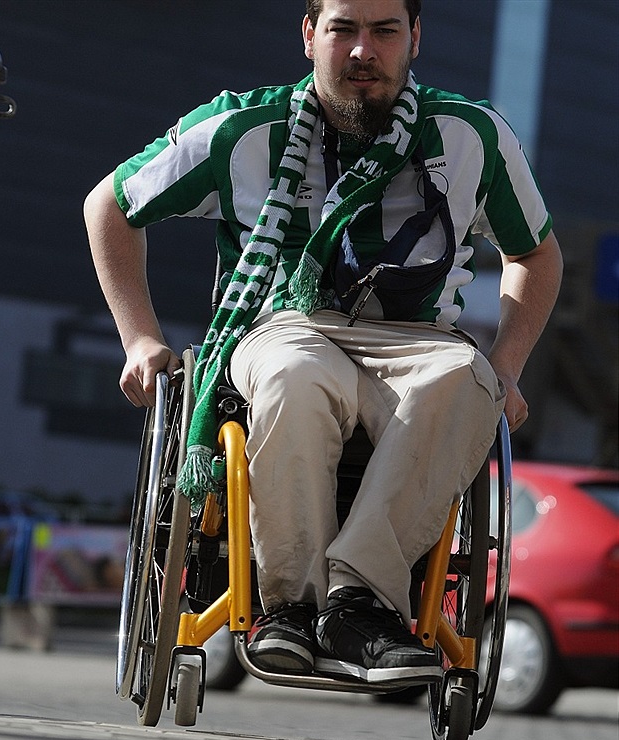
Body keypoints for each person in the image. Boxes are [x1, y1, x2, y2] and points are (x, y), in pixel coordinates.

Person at [84, 0, 562, 684]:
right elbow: (111, 204)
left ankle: (359, 603)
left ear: (415, 39)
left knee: (466, 380)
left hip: (418, 338)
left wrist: (509, 365)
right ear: (310, 35)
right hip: (285, 327)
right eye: (344, 29)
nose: (363, 50)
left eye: (385, 31)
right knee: (298, 376)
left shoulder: (472, 134)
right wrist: (139, 338)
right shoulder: (244, 127)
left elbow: (536, 255)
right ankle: (289, 609)